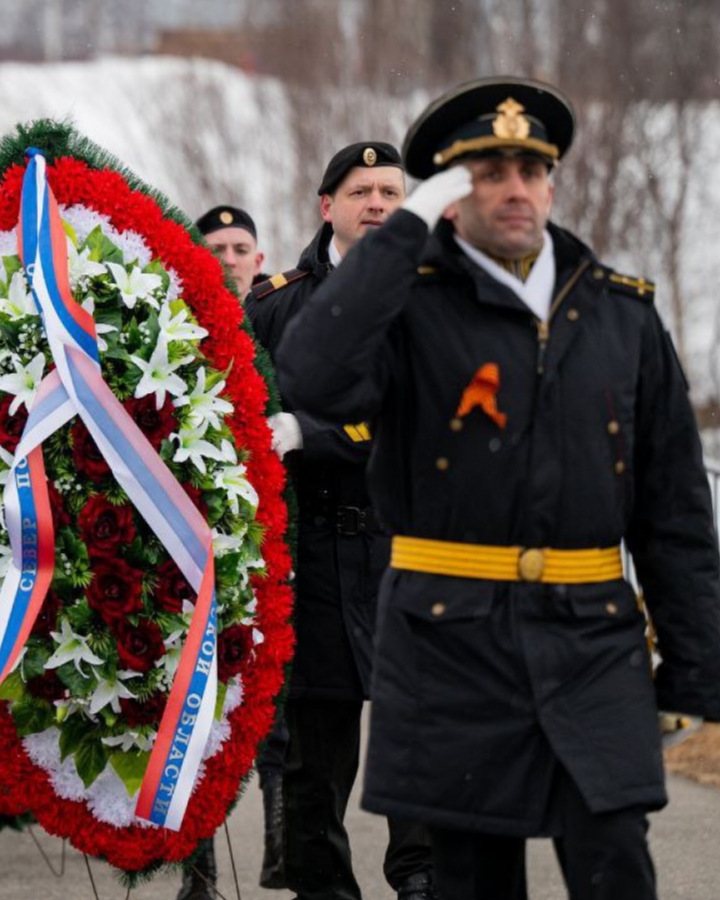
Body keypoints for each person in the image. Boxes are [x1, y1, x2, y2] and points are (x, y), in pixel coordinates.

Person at [277, 77, 720, 900]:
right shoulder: (408, 304)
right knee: (472, 881)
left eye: (530, 169)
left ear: (552, 182)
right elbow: (310, 375)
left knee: (617, 867)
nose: (514, 189)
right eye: (487, 172)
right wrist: (402, 230)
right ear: (451, 194)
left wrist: (694, 670)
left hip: (591, 643)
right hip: (451, 648)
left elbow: (674, 505)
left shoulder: (620, 314)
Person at [246, 141, 435, 900]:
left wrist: (315, 435)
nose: (380, 204)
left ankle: (421, 878)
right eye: (362, 191)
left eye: (392, 190)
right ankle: (322, 887)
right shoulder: (277, 305)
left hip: (404, 545)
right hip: (313, 551)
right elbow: (242, 424)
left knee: (416, 730)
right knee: (312, 751)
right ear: (328, 206)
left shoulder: (433, 299)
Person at [196, 205, 266, 302]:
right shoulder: (171, 313)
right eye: (216, 251)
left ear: (257, 262)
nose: (229, 261)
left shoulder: (285, 315)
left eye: (241, 251)